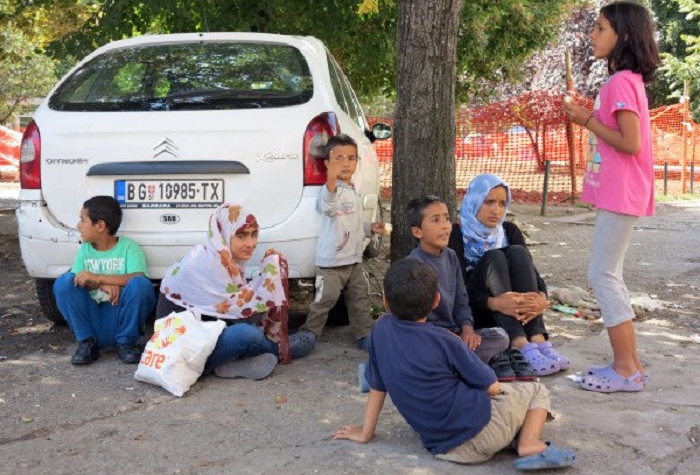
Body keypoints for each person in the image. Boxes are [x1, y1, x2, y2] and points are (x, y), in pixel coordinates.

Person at [333, 258, 576, 471]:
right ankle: (529, 444)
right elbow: (491, 387)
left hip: (440, 447)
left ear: (385, 301)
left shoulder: (380, 330)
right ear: (436, 300)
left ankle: (512, 434)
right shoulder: (447, 341)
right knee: (533, 389)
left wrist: (365, 432)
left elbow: (377, 385)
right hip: (481, 435)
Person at [563, 0, 659, 393]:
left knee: (602, 275)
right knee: (609, 275)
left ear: (624, 36)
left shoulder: (620, 83)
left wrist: (585, 118)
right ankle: (630, 365)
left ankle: (624, 370)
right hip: (623, 194)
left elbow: (631, 143)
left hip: (622, 194)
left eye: (601, 28)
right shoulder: (627, 80)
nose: (593, 34)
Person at [157, 203, 313, 380]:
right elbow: (240, 315)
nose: (250, 243)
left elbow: (231, 314)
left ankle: (229, 362)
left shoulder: (224, 262)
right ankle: (278, 350)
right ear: (222, 236)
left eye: (254, 234)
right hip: (179, 352)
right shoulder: (204, 264)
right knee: (246, 334)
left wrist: (266, 281)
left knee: (244, 332)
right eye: (241, 235)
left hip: (205, 340)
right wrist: (266, 281)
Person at [450, 174, 569, 377]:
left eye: (502, 203)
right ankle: (519, 343)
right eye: (488, 202)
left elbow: (533, 273)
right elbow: (458, 289)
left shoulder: (508, 231)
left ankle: (538, 339)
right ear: (474, 201)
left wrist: (541, 298)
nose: (496, 210)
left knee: (517, 252)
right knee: (494, 257)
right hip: (480, 312)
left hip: (518, 311)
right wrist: (494, 303)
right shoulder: (456, 234)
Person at [299, 133, 385, 351]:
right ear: (327, 163)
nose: (345, 163)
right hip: (332, 262)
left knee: (360, 299)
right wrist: (330, 178)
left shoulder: (352, 189)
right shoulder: (330, 190)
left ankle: (365, 334)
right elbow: (328, 206)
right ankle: (308, 334)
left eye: (351, 158)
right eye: (338, 158)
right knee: (324, 300)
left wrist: (368, 228)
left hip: (354, 260)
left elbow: (352, 223)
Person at [406, 195, 509, 364]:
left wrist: (468, 330)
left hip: (455, 334)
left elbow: (461, 299)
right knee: (424, 349)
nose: (445, 226)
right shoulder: (413, 265)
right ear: (418, 231)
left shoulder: (451, 256)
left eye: (447, 219)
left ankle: (455, 362)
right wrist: (447, 336)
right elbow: (413, 322)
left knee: (501, 336)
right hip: (430, 337)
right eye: (435, 220)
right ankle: (459, 363)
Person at [54, 196, 155, 365]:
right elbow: (77, 281)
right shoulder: (85, 250)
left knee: (141, 285)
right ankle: (88, 343)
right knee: (64, 282)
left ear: (100, 225)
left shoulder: (129, 247)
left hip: (119, 316)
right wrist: (103, 284)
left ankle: (126, 343)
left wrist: (99, 277)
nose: (79, 225)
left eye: (82, 220)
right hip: (93, 319)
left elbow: (137, 278)